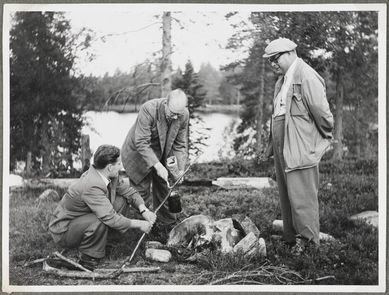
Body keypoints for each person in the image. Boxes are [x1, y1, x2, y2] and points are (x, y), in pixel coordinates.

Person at [263, 38, 334, 253]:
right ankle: (291, 238)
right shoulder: (282, 79)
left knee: (302, 192)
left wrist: (319, 140)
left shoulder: (306, 75)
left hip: (299, 142)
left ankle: (309, 243)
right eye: (269, 61)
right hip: (282, 139)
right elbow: (278, 112)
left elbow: (322, 114)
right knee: (287, 190)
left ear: (290, 53)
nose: (272, 64)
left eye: (274, 59)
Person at [49, 145, 156, 270]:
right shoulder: (92, 184)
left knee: (121, 200)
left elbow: (129, 192)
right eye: (119, 163)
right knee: (99, 220)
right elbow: (110, 217)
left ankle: (107, 242)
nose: (121, 167)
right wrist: (140, 224)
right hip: (64, 229)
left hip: (81, 219)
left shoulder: (109, 175)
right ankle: (88, 257)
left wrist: (144, 211)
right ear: (110, 167)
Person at [121, 89, 189, 231]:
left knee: (165, 191)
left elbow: (180, 144)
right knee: (140, 195)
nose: (176, 117)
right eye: (173, 113)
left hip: (163, 155)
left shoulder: (184, 115)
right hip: (138, 156)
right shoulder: (149, 109)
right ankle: (139, 231)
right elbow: (141, 142)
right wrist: (158, 166)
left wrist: (180, 169)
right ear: (166, 103)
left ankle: (166, 227)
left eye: (179, 114)